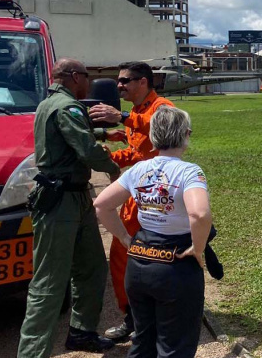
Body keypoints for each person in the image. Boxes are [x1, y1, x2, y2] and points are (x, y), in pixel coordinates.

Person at [18, 58, 121, 357]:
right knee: (50, 282)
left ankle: (81, 333)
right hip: (60, 201)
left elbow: (69, 136)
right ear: (75, 77)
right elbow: (86, 149)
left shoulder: (51, 103)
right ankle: (32, 353)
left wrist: (104, 133)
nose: (88, 82)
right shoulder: (67, 107)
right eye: (86, 77)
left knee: (91, 268)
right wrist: (113, 170)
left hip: (76, 198)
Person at [94, 106, 212, 358]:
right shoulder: (189, 171)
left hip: (138, 263)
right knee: (174, 346)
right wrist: (198, 249)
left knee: (143, 340)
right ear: (187, 134)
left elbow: (102, 205)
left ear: (153, 136)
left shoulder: (139, 169)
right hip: (175, 265)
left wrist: (125, 239)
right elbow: (199, 214)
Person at [88, 61, 173, 342]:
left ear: (143, 82)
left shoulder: (161, 106)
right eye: (119, 81)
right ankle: (133, 317)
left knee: (151, 258)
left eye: (125, 80)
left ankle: (152, 319)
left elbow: (164, 126)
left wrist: (121, 116)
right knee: (123, 257)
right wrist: (108, 157)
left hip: (155, 197)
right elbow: (136, 152)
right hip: (134, 194)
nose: (120, 86)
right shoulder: (136, 112)